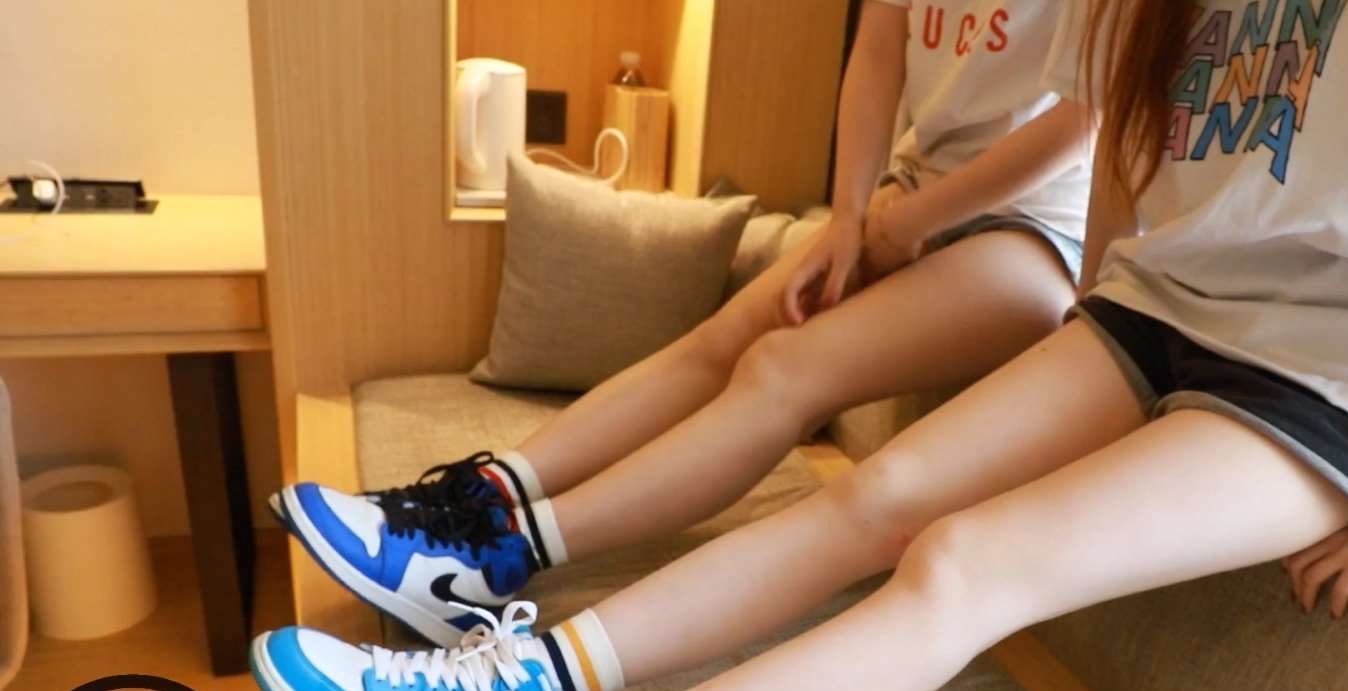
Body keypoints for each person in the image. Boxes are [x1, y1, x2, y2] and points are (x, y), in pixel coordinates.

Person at [252, 0, 1348, 691]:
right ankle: (524, 677)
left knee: (961, 559)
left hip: (1326, 384)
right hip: (1156, 309)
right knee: (875, 495)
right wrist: (1092, 329)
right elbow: (1128, 154)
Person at [268, 0, 1095, 646]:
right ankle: (482, 496)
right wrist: (850, 214)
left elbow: (1084, 117)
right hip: (907, 192)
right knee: (720, 341)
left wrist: (909, 224)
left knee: (783, 369)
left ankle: (498, 555)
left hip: (1035, 232)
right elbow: (879, 45)